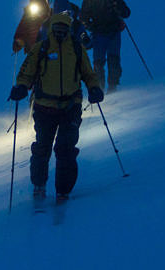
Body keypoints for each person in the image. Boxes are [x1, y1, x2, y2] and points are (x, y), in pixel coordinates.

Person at [8, 12, 104, 201]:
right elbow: (26, 72)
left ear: (68, 30)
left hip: (70, 106)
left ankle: (63, 190)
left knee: (66, 148)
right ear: (52, 29)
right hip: (45, 107)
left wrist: (94, 88)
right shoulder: (41, 48)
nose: (60, 32)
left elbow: (88, 73)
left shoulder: (76, 49)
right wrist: (21, 87)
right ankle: (39, 185)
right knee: (42, 148)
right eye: (57, 29)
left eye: (64, 29)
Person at [80, 0, 131, 92]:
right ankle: (101, 88)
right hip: (100, 33)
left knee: (112, 59)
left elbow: (126, 12)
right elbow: (83, 18)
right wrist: (91, 26)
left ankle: (112, 87)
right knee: (99, 62)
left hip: (112, 31)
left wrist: (117, 8)